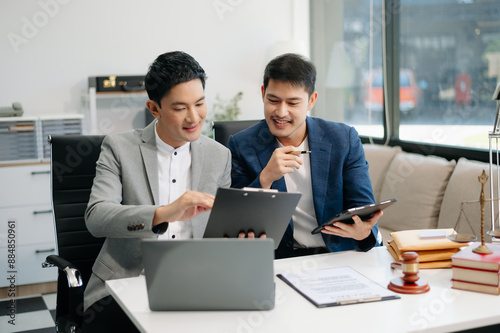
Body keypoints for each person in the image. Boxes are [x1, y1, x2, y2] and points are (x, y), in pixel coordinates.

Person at [82, 51, 231, 332]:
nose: (193, 117)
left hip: (197, 282)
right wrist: (164, 213)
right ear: (154, 108)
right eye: (179, 108)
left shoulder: (219, 155)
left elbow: (221, 226)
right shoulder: (118, 148)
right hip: (126, 284)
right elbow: (96, 217)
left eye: (199, 104)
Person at [228, 53, 382, 259]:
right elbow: (236, 223)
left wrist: (363, 232)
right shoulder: (241, 145)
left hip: (338, 255)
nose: (281, 112)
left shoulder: (343, 139)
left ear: (311, 101)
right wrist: (265, 179)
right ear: (263, 93)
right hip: (282, 260)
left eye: (293, 103)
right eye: (273, 100)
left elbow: (363, 208)